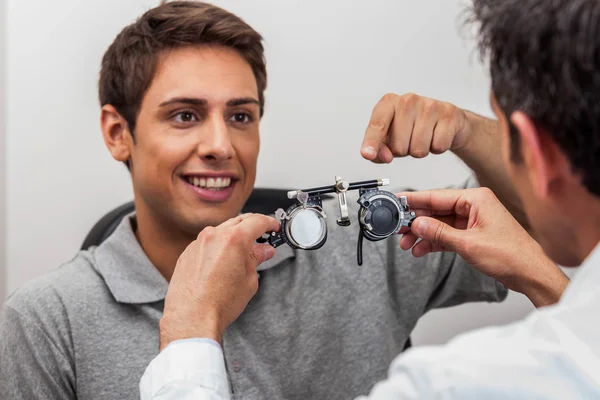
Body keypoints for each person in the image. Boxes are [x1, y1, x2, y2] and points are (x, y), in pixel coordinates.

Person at [0, 1, 566, 400]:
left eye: (241, 116)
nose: (221, 145)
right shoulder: (45, 319)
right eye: (185, 115)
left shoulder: (363, 242)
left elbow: (546, 226)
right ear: (117, 132)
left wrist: (472, 132)